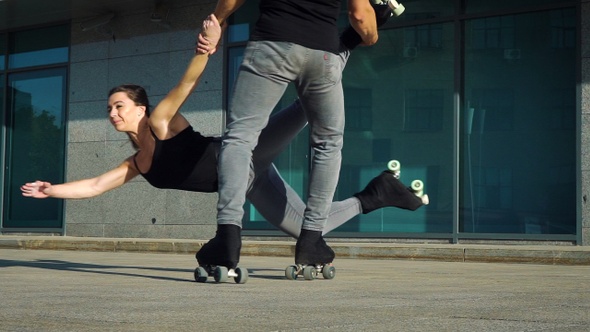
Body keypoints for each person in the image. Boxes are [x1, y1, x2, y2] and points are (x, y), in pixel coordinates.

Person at [21, 11, 425, 247]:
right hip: (249, 182)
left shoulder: (161, 121)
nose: (112, 113)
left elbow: (187, 85)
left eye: (118, 106)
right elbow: (93, 186)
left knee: (307, 104)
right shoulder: (138, 163)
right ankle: (377, 194)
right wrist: (51, 189)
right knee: (303, 227)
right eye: (109, 108)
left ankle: (353, 35)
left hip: (244, 152)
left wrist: (206, 47)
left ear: (140, 108)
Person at [197, 0, 380, 273]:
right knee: (328, 144)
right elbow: (361, 16)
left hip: (272, 43)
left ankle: (227, 237)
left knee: (240, 137)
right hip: (323, 54)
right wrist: (373, 35)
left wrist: (217, 22)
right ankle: (311, 240)